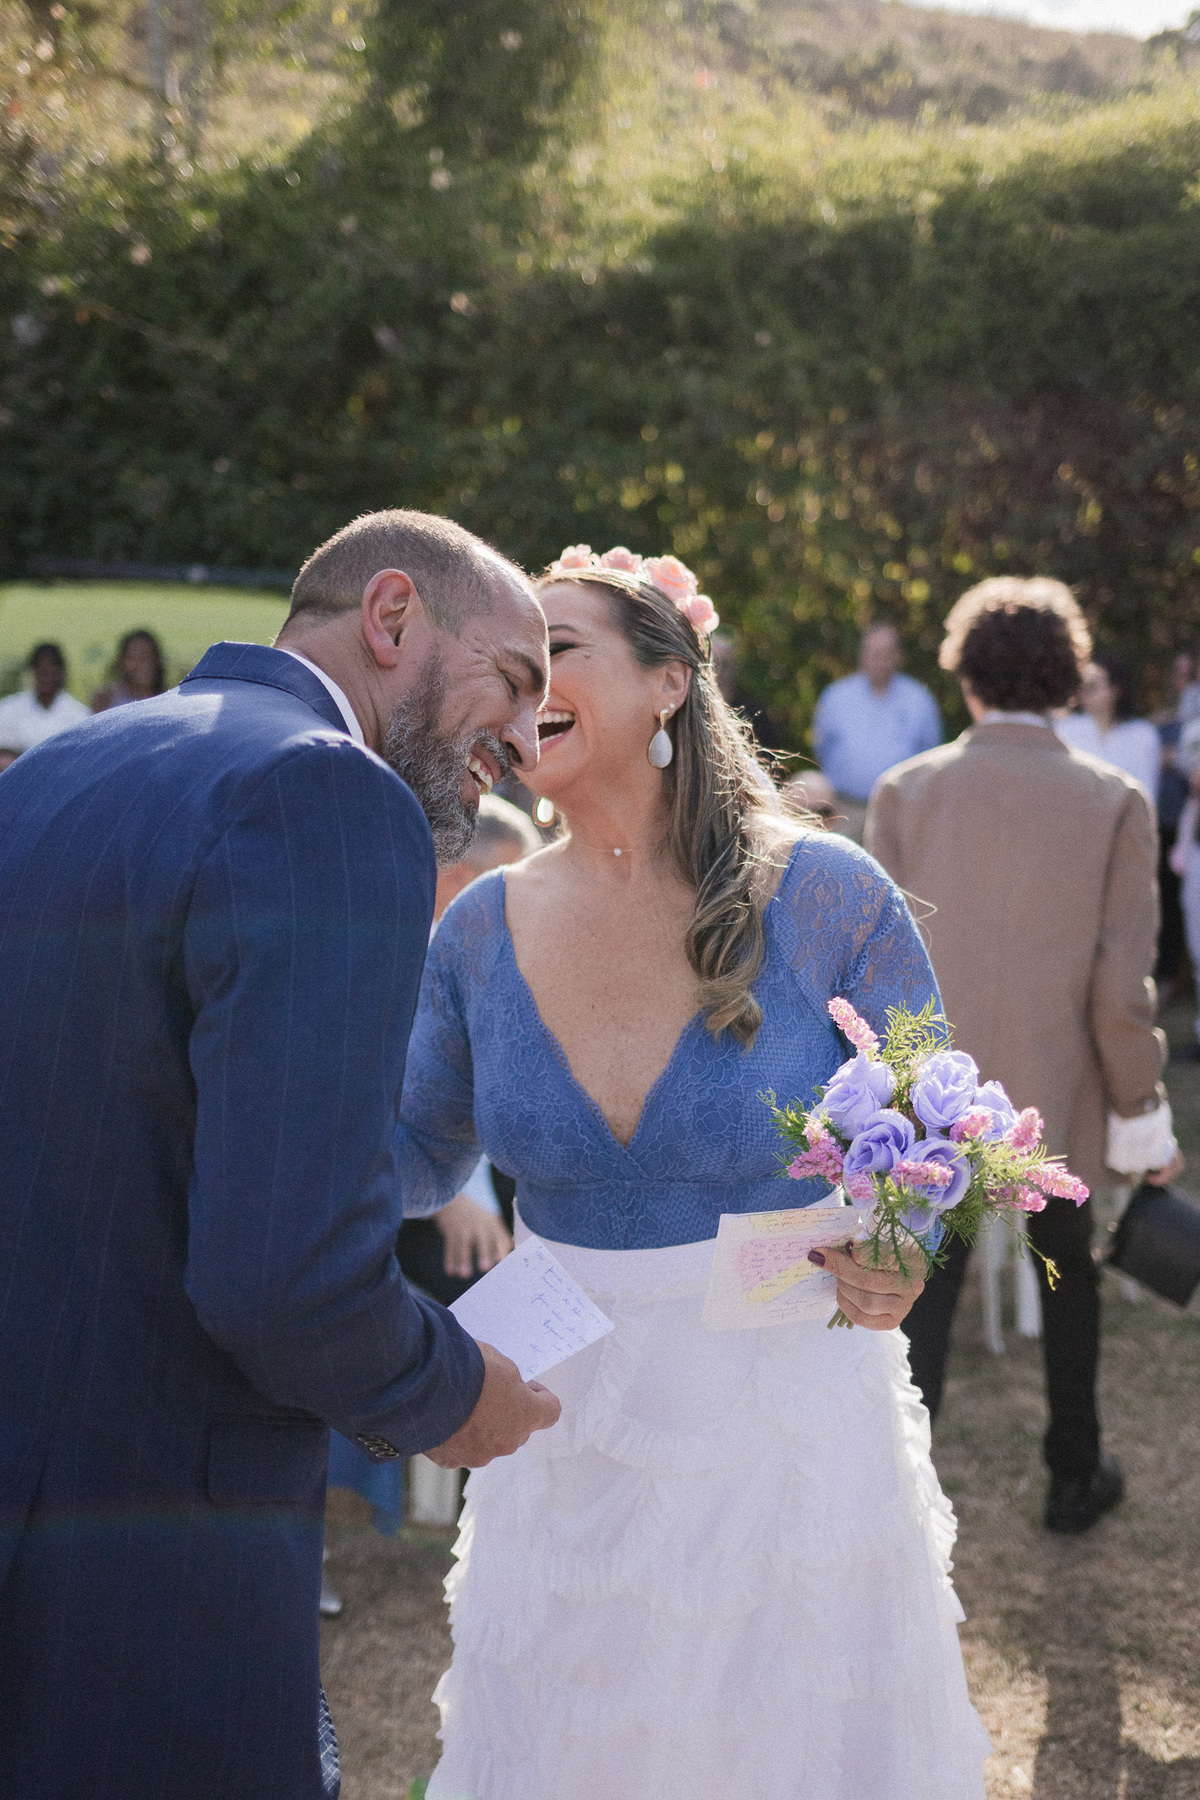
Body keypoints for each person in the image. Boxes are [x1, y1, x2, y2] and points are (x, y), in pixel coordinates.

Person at [397, 543, 991, 1800]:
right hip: (560, 1419)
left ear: (670, 681)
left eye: (558, 648)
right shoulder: (476, 929)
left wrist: (904, 1244)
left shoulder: (824, 894)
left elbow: (932, 1112)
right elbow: (408, 1155)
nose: (523, 681)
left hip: (781, 1420)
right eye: (511, 660)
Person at [0, 508, 562, 1800]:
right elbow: (284, 1280)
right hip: (150, 1543)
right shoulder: (332, 793)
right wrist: (454, 1393)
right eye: (516, 681)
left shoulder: (60, 767)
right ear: (392, 617)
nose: (529, 747)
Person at [866, 577, 1182, 1536]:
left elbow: (878, 971)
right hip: (1058, 1097)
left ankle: (897, 1493)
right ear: (1069, 682)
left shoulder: (906, 790)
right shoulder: (1114, 799)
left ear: (965, 678)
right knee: (1070, 1275)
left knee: (926, 1289)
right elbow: (1122, 988)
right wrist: (1143, 1113)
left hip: (932, 1101)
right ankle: (1074, 1473)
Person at [398, 793, 541, 1306]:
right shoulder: (398, 960)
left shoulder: (495, 960)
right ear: (460, 879)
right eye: (511, 887)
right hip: (411, 1204)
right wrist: (455, 1200)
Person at [812, 621, 941, 841]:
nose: (879, 660)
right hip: (846, 812)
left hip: (901, 814)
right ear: (862, 655)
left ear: (898, 656)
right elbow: (821, 749)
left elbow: (931, 757)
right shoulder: (836, 697)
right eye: (873, 653)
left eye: (886, 653)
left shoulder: (919, 700)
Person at [1055, 653, 1161, 797]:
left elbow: (1147, 793)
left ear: (1115, 689)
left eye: (1092, 686)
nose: (1085, 692)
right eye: (1082, 686)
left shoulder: (1142, 735)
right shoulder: (1065, 730)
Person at [1153, 652, 1193, 995]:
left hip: (1189, 825)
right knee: (1169, 900)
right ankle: (1168, 974)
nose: (1181, 679)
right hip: (1168, 824)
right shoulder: (1163, 719)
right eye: (1178, 672)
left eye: (1188, 672)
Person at [0, 640, 90, 751]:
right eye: (42, 671)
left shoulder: (79, 714)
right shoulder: (8, 708)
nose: (46, 677)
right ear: (32, 671)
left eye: (51, 671)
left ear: (62, 673)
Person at [91, 626, 168, 711]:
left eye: (147, 656)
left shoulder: (168, 698)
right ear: (122, 662)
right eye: (134, 657)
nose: (142, 664)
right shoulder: (107, 699)